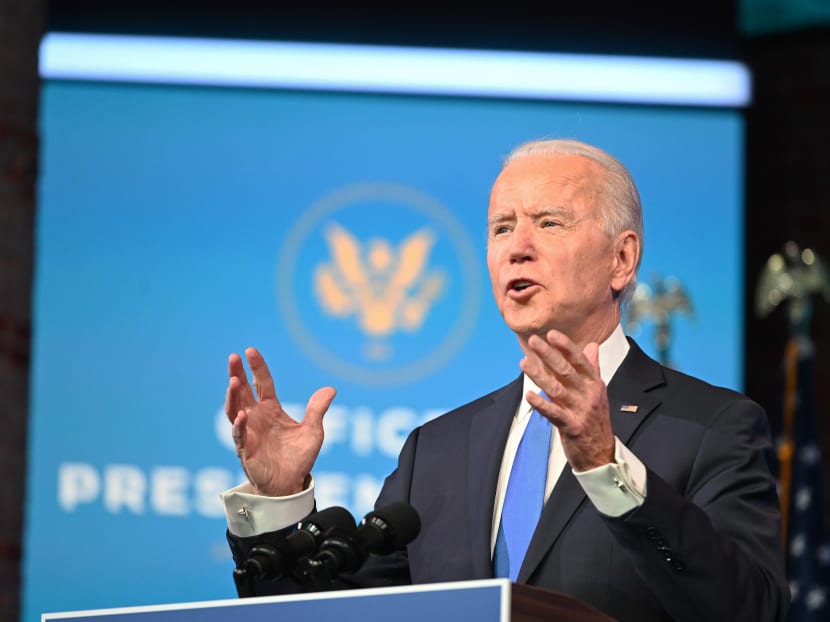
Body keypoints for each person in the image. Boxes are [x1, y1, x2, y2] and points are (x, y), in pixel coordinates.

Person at [220, 138, 789, 622]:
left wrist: (607, 467)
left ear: (621, 259)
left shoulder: (713, 428)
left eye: (549, 223)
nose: (518, 247)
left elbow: (750, 608)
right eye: (501, 227)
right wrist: (278, 501)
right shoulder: (435, 451)